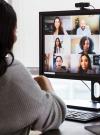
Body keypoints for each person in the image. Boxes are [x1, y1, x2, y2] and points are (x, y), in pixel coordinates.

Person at [0, 1, 66, 134]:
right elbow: (56, 114)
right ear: (8, 34)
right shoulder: (9, 71)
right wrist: (43, 81)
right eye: (15, 30)